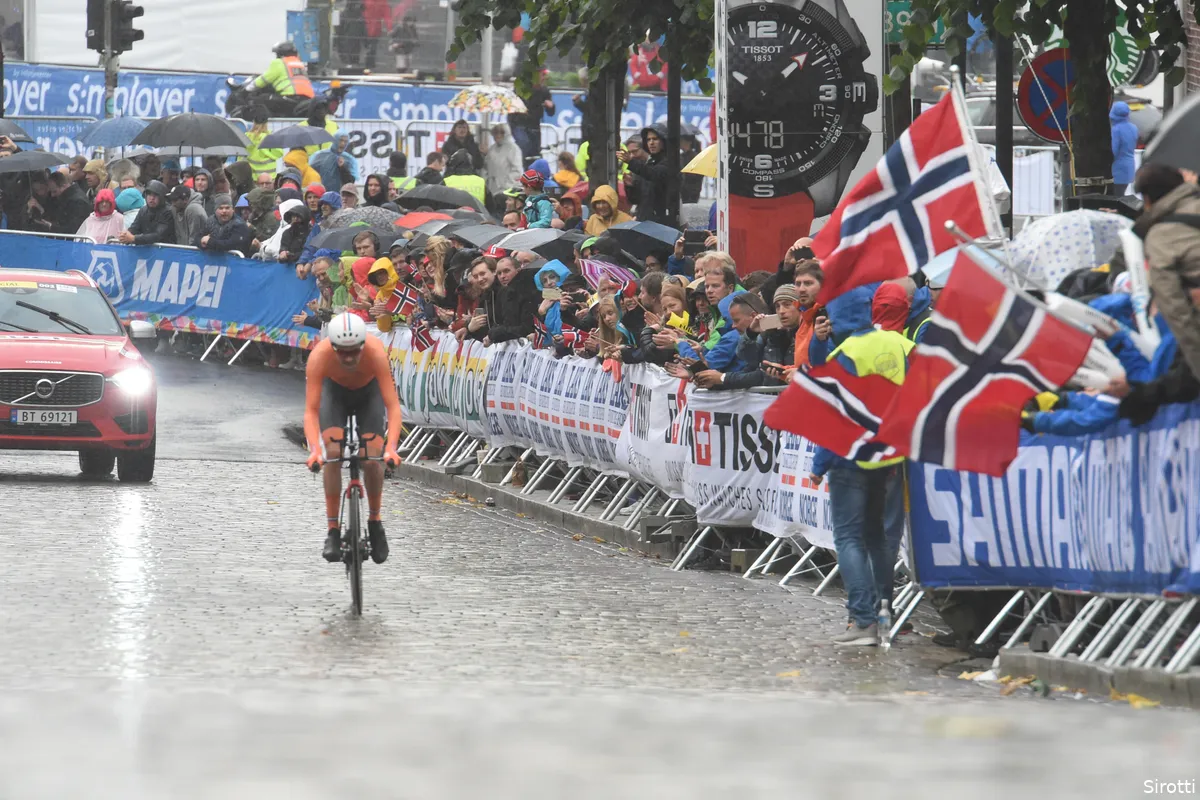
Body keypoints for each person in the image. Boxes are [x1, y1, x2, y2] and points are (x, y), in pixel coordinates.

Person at [810, 283, 914, 647]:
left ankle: (863, 620)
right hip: (893, 456)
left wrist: (819, 463)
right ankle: (886, 616)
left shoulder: (845, 353)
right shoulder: (902, 345)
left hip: (852, 457)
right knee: (883, 539)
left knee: (850, 537)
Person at [303, 313, 402, 564]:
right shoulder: (319, 357)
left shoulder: (376, 353)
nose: (348, 358)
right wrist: (315, 451)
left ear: (362, 345)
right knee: (333, 454)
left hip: (369, 393)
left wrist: (391, 449)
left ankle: (376, 522)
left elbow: (392, 406)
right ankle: (333, 530)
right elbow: (311, 411)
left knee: (371, 458)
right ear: (332, 346)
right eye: (341, 352)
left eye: (354, 352)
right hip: (334, 392)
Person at [618, 124, 676, 224]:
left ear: (663, 140)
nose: (651, 143)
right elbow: (636, 200)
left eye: (655, 139)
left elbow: (655, 174)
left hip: (662, 221)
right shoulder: (649, 163)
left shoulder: (670, 162)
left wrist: (631, 162)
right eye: (648, 140)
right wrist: (630, 186)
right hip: (645, 220)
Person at [244, 41, 315, 107]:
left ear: (280, 54)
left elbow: (265, 79)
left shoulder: (279, 62)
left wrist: (247, 89)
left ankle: (263, 120)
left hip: (290, 97)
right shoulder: (299, 64)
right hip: (307, 99)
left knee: (260, 99)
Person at [509, 68, 555, 160]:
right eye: (542, 75)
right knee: (524, 144)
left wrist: (551, 106)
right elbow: (511, 109)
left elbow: (551, 113)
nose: (544, 78)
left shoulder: (544, 91)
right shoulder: (521, 89)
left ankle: (531, 171)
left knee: (535, 153)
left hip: (534, 127)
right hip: (519, 124)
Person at [120, 180, 175, 245]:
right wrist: (125, 235)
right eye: (149, 194)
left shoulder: (168, 212)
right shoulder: (143, 210)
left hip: (165, 251)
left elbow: (158, 236)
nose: (152, 198)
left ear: (162, 198)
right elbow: (134, 228)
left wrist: (134, 238)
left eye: (155, 195)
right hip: (146, 251)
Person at [484, 123, 524, 201]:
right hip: (492, 189)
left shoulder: (513, 149)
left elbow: (517, 170)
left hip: (507, 189)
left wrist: (506, 185)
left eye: (501, 133)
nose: (498, 135)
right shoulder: (492, 149)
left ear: (506, 133)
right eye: (496, 133)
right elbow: (486, 168)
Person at [1109, 101, 1138, 196]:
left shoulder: (1116, 130)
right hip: (1129, 168)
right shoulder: (1134, 128)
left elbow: (1114, 151)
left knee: (1115, 198)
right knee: (1121, 195)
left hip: (1117, 170)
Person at [245, 108, 283, 179]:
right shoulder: (272, 138)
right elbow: (279, 153)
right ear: (266, 122)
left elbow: (241, 158)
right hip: (270, 179)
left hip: (253, 179)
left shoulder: (246, 137)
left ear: (254, 121)